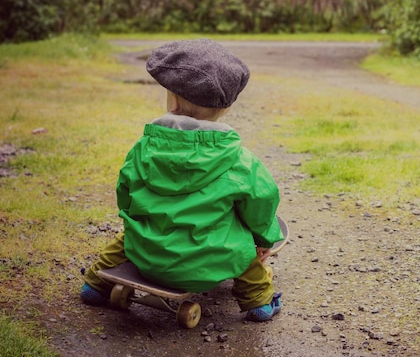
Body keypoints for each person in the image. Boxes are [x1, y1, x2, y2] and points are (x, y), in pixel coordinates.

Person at [80, 39, 284, 322]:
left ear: (172, 100)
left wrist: (139, 217)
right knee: (243, 250)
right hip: (212, 262)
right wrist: (263, 239)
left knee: (127, 236)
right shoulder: (240, 161)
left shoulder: (143, 148)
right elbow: (261, 204)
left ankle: (94, 285)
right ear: (224, 109)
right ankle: (259, 304)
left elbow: (125, 194)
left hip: (147, 256)